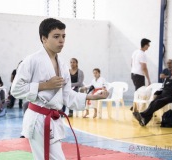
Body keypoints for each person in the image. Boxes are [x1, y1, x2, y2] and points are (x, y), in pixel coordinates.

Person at [10, 18, 108, 160]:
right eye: (56, 37)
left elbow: (67, 94)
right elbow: (16, 89)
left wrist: (91, 97)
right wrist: (45, 85)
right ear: (44, 38)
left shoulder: (62, 64)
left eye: (63, 36)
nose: (61, 40)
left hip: (53, 119)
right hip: (38, 119)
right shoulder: (31, 60)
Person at [130, 38, 151, 111]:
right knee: (140, 92)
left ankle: (134, 107)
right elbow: (144, 68)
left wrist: (133, 70)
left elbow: (131, 63)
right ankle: (137, 109)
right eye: (148, 45)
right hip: (139, 76)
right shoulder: (142, 54)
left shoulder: (135, 52)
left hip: (133, 74)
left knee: (137, 91)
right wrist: (148, 79)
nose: (149, 46)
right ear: (145, 45)